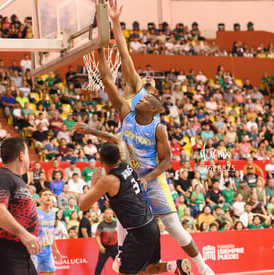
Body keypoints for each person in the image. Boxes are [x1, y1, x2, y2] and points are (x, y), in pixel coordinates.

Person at [98, 3, 214, 274]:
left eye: (149, 96)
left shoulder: (157, 127)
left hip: (151, 178)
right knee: (124, 220)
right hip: (131, 178)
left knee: (173, 227)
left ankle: (201, 265)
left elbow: (168, 161)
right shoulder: (127, 109)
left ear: (153, 107)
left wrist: (148, 178)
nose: (143, 93)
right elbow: (120, 59)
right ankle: (124, 257)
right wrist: (110, 29)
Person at [79, 142, 192, 275]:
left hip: (138, 232)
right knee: (148, 269)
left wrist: (93, 186)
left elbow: (83, 206)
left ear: (101, 161)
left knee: (126, 272)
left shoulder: (108, 180)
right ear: (119, 158)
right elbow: (121, 143)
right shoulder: (127, 165)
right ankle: (174, 266)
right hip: (151, 225)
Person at [0, 137, 41, 275]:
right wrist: (23, 234)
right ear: (21, 155)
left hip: (20, 252)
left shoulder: (17, 179)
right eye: (27, 154)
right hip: (6, 251)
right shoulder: (3, 177)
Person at [31, 189, 62, 275]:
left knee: (51, 272)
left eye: (49, 194)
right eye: (45, 195)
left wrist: (55, 250)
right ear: (40, 199)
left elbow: (51, 233)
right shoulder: (34, 212)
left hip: (47, 250)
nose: (48, 196)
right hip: (35, 249)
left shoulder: (52, 213)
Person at [95, 208, 118, 275]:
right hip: (105, 248)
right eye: (107, 213)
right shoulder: (101, 225)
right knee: (99, 265)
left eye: (111, 213)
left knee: (120, 266)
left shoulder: (116, 223)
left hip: (115, 248)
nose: (109, 215)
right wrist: (100, 246)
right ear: (104, 215)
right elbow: (97, 236)